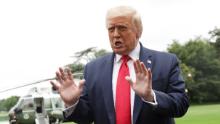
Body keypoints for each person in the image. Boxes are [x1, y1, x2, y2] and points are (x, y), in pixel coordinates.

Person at [51, 6, 189, 124]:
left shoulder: (166, 62)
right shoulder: (92, 69)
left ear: (138, 31)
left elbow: (180, 105)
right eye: (111, 29)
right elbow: (86, 117)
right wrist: (73, 103)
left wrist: (151, 96)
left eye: (122, 28)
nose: (115, 34)